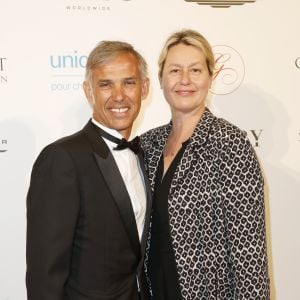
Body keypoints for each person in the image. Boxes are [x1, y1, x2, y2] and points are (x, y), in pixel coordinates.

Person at [141, 29, 270, 299]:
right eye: (175, 70)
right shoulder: (147, 146)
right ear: (161, 78)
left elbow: (249, 255)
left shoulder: (229, 144)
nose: (185, 80)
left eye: (196, 70)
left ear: (211, 77)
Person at [26, 40, 152, 300]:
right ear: (88, 91)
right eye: (105, 84)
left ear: (145, 88)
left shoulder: (144, 155)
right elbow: (45, 274)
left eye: (129, 82)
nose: (119, 95)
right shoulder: (63, 159)